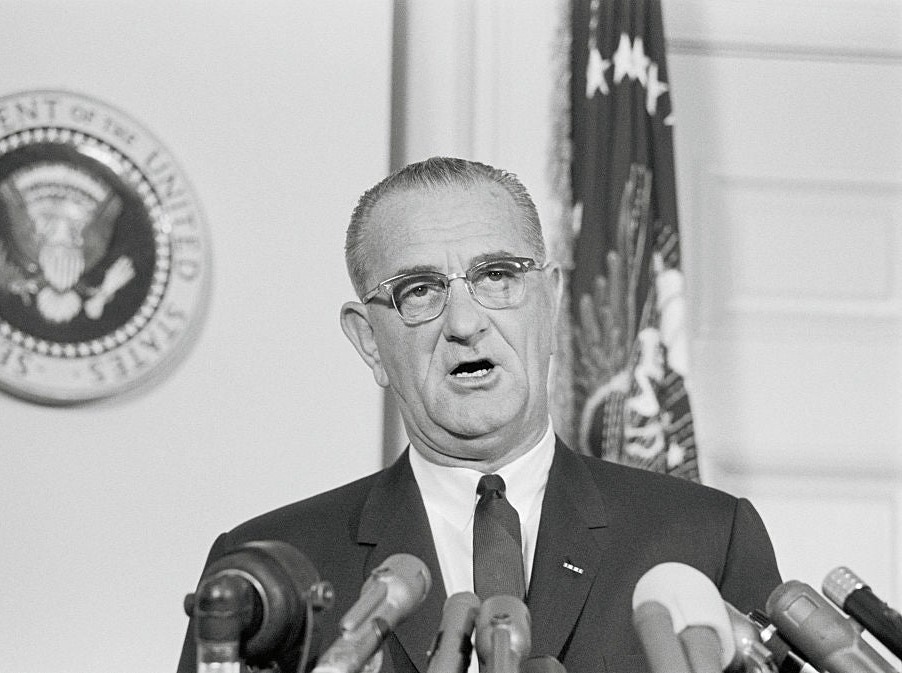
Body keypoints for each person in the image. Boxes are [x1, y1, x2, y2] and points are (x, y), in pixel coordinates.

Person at [178, 157, 781, 673]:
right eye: (420, 290)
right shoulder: (271, 566)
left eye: (497, 277)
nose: (465, 324)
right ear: (368, 342)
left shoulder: (705, 538)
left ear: (551, 300)